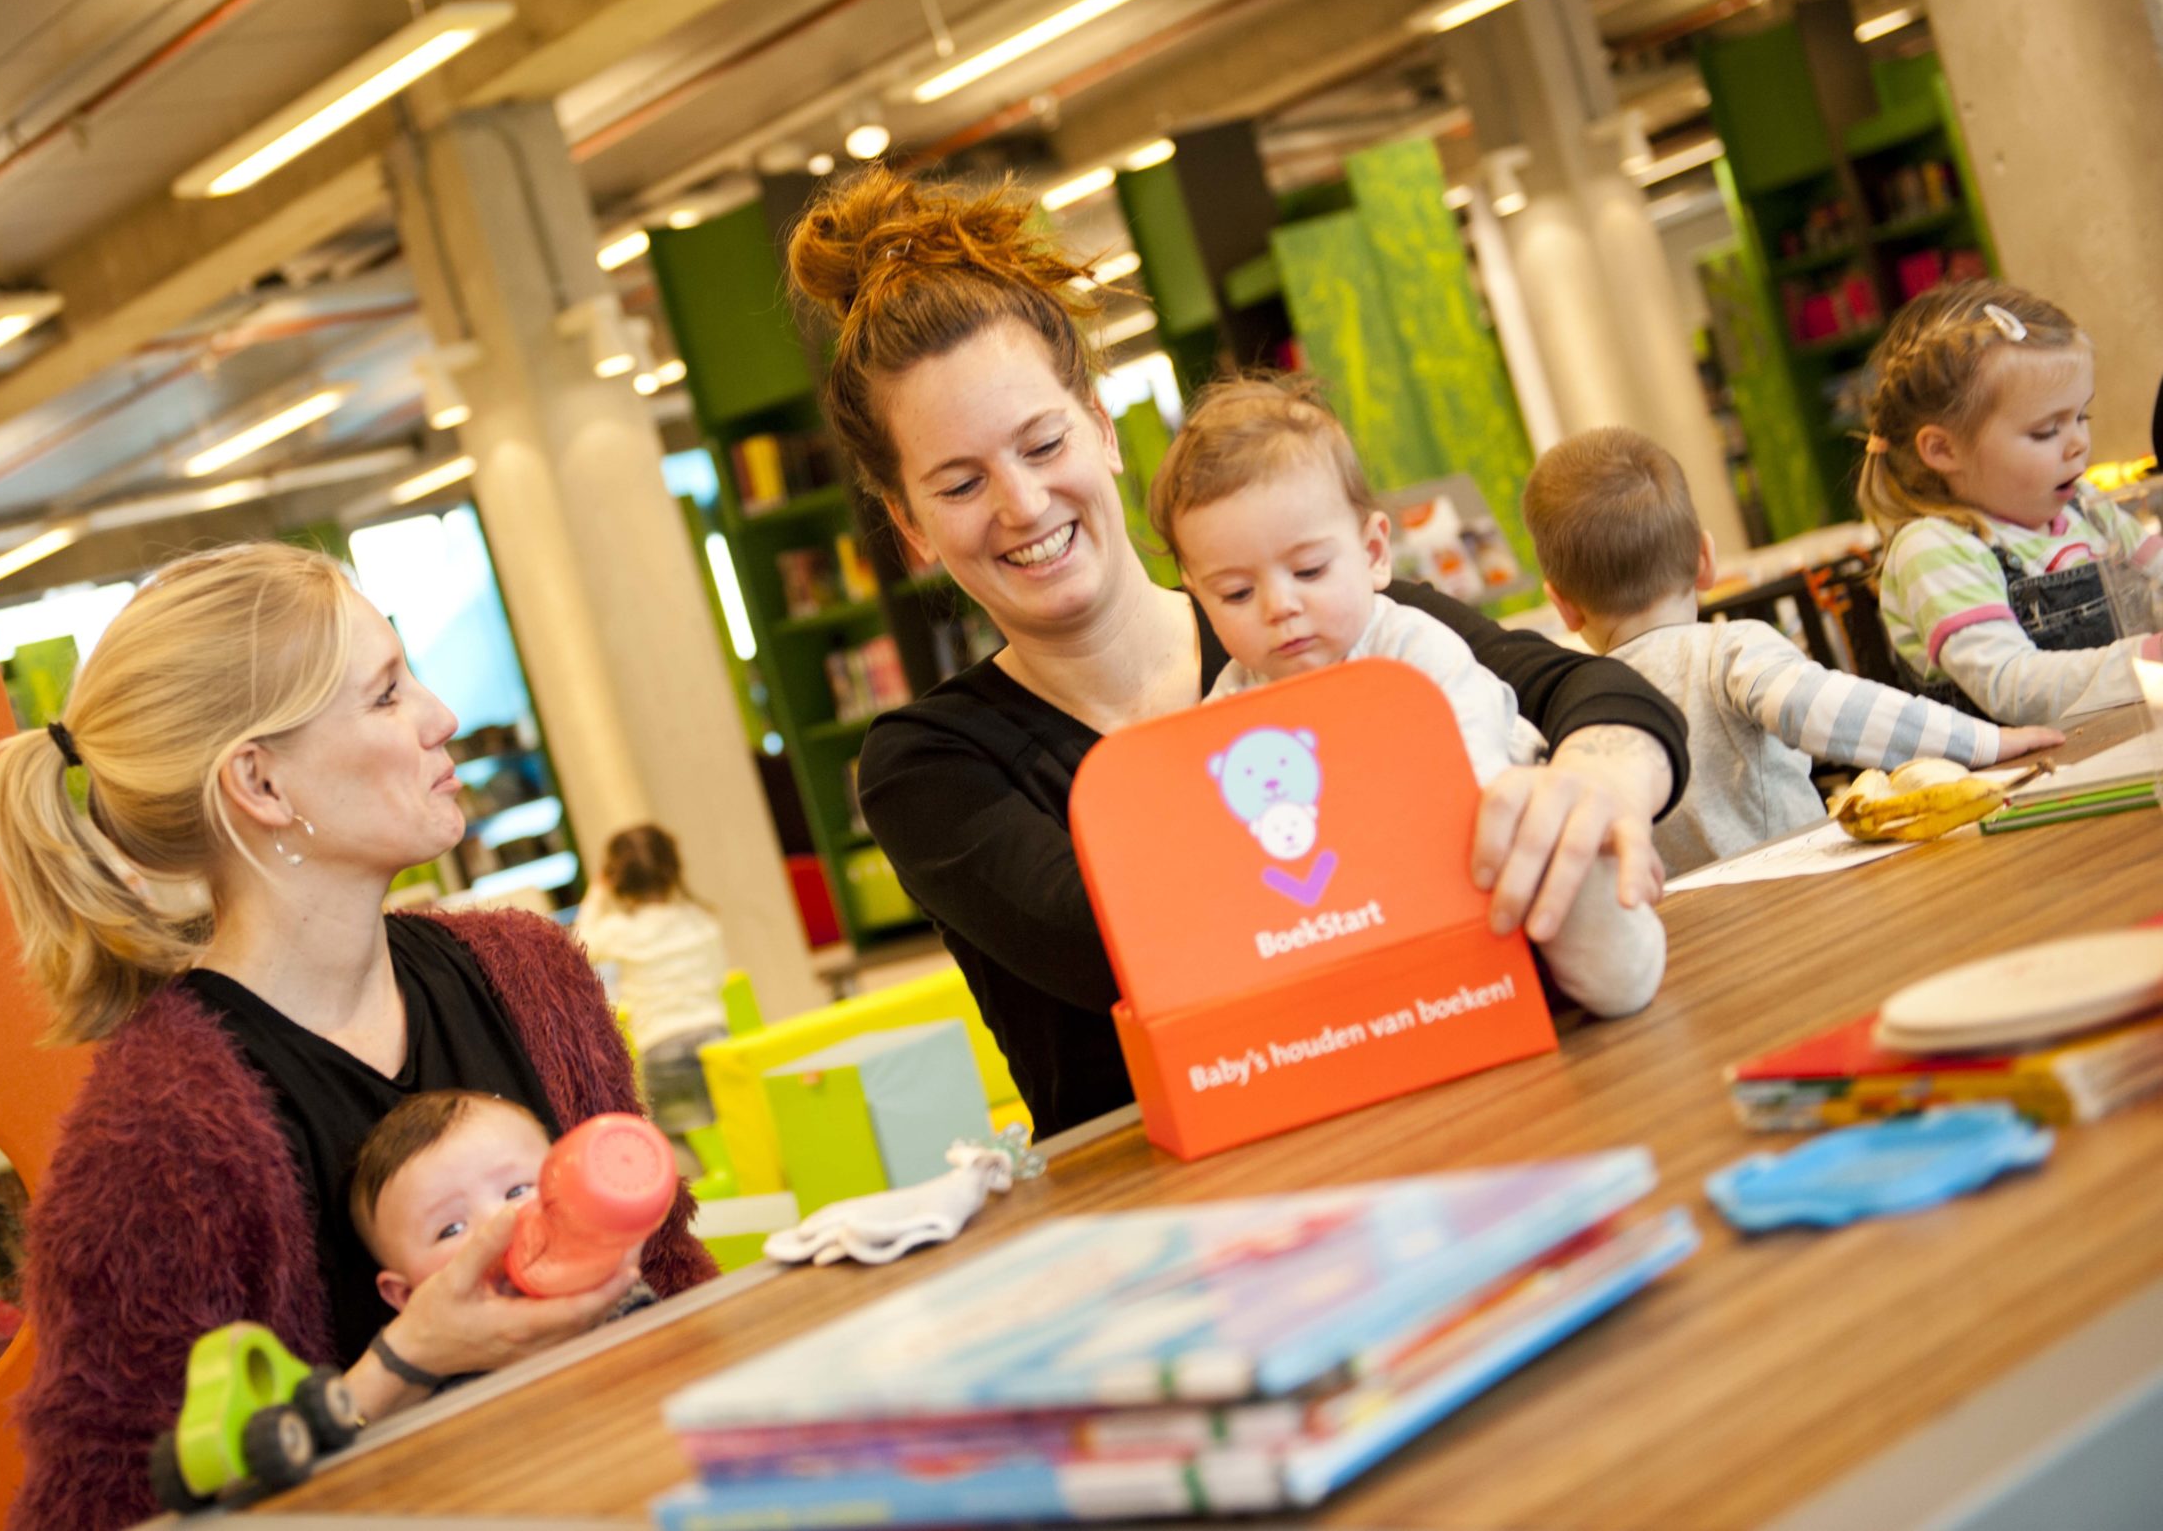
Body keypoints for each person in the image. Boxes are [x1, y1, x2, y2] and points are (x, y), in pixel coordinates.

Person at [784, 168, 1693, 1136]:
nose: (1023, 503)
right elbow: (1129, 945)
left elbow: (1593, 693)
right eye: (961, 484)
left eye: (1043, 445)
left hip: (1488, 1108)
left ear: (1102, 431)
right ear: (910, 525)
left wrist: (1596, 779)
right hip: (1203, 1201)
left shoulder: (1319, 615)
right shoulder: (929, 768)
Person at [0, 543, 715, 1531]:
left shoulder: (533, 972)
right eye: (386, 693)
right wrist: (405, 1364)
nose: (441, 716)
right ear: (261, 783)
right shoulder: (155, 1137)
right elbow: (107, 1507)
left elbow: (666, 1273)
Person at [1154, 383, 1664, 1014]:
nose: (1279, 606)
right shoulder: (1231, 704)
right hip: (1378, 904)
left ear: (1373, 553)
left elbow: (1472, 767)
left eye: (1309, 571)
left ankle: (1611, 936)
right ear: (1199, 596)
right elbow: (1214, 822)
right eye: (1236, 593)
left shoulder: (1409, 643)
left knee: (1607, 963)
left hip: (1497, 847)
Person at [1525, 427, 2061, 875]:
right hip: (1797, 887)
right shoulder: (1729, 652)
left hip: (1681, 932)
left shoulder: (1574, 704)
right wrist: (1982, 741)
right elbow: (1835, 709)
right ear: (1705, 561)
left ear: (1564, 605)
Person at [1864, 281, 2163, 722]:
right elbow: (2013, 687)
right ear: (1943, 450)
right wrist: (2145, 658)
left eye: (2081, 416)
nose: (2079, 443)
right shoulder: (1933, 548)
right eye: (2046, 431)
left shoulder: (2088, 509)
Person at [349, 1090, 654, 1322]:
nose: (500, 1224)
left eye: (516, 1191)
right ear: (406, 1295)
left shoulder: (617, 1293)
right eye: (451, 1229)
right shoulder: (436, 1377)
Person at [575, 825, 730, 1133]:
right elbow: (718, 977)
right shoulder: (700, 919)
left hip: (662, 1044)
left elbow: (578, 943)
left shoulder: (619, 931)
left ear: (615, 878)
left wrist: (597, 892)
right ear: (674, 869)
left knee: (675, 1141)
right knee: (731, 1131)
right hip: (716, 1037)